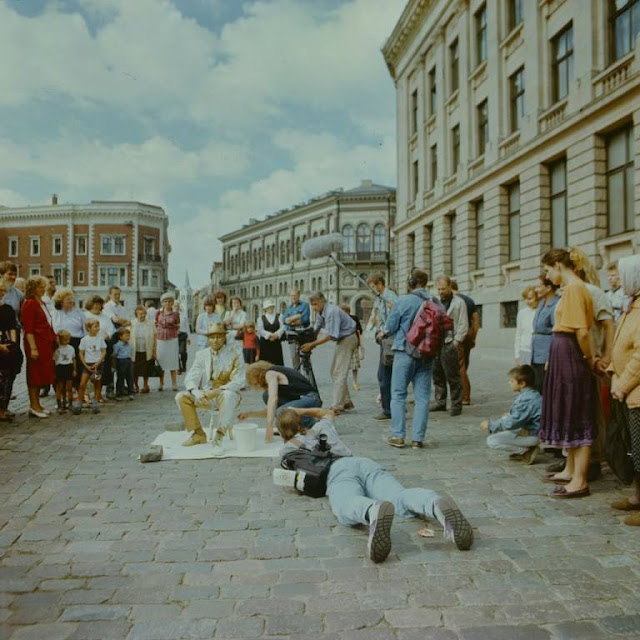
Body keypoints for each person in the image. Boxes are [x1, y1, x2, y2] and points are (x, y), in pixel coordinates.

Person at [276, 407, 473, 562]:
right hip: (363, 463)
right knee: (399, 496)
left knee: (346, 504)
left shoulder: (287, 448)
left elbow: (293, 478)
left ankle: (372, 510)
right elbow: (327, 412)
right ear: (301, 421)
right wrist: (300, 411)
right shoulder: (321, 427)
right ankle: (434, 503)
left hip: (336, 473)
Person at [538, 248, 596, 499]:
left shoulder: (573, 288)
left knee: (577, 410)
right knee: (570, 408)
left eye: (548, 270)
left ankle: (580, 479)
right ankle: (572, 470)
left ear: (558, 265)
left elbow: (582, 331)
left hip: (570, 351)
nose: (548, 276)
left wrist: (588, 357)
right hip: (565, 350)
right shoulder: (573, 288)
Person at [382, 269, 440, 449]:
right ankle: (417, 439)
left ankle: (398, 436)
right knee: (422, 398)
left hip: (404, 351)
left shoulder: (404, 300)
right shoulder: (435, 302)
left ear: (410, 282)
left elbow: (390, 327)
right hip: (427, 354)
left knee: (398, 395)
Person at [175, 322, 245, 454]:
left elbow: (240, 380)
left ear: (224, 337)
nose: (215, 340)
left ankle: (218, 438)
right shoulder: (202, 354)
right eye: (212, 337)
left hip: (228, 394)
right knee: (181, 397)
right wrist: (196, 392)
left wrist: (218, 391)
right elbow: (190, 378)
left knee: (229, 395)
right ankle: (198, 434)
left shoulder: (235, 352)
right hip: (206, 395)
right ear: (208, 339)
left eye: (219, 337)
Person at [607, 255, 640, 526]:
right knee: (633, 447)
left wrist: (623, 382)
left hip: (635, 392)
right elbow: (621, 345)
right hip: (625, 390)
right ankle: (637, 497)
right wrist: (612, 371)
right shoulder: (632, 305)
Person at [301, 292, 358, 414]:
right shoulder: (321, 312)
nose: (314, 308)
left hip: (348, 338)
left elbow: (331, 335)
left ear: (323, 301)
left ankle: (337, 406)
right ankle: (346, 402)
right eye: (312, 305)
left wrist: (312, 345)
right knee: (334, 371)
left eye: (315, 304)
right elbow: (316, 329)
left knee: (339, 372)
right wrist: (310, 340)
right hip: (342, 339)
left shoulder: (331, 311)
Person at [241, 360, 322, 441]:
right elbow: (272, 410)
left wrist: (269, 426)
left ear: (258, 376)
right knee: (267, 397)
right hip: (302, 399)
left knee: (281, 411)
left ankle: (313, 425)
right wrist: (250, 414)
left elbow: (273, 398)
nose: (258, 385)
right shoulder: (274, 374)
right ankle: (299, 427)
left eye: (255, 383)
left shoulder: (270, 373)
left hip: (310, 398)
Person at [480, 365, 542, 463]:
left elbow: (513, 422)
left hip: (532, 435)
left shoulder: (527, 399)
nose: (509, 383)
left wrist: (491, 425)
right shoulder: (532, 394)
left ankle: (525, 452)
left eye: (512, 381)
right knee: (505, 420)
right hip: (532, 432)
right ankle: (525, 448)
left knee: (492, 441)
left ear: (522, 383)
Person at [432, 276, 469, 416]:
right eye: (439, 289)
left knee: (452, 375)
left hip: (450, 342)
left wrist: (456, 342)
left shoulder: (459, 302)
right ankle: (440, 402)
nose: (441, 291)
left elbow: (463, 324)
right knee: (437, 374)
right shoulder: (435, 302)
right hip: (436, 343)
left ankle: (456, 404)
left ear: (449, 287)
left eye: (443, 289)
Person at [22, 276, 57, 419]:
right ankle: (33, 405)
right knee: (34, 375)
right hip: (36, 343)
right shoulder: (29, 304)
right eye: (40, 287)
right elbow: (28, 329)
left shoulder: (41, 302)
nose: (43, 289)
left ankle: (38, 405)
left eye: (44, 286)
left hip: (45, 343)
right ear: (33, 288)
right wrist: (33, 348)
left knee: (41, 374)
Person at [368, 273, 398, 422]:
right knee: (386, 375)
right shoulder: (380, 298)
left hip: (390, 341)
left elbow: (394, 318)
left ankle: (388, 410)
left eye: (373, 287)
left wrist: (383, 332)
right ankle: (395, 405)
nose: (372, 290)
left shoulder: (390, 297)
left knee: (384, 376)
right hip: (384, 341)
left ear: (380, 284)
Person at [450, 281, 480, 406]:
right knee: (464, 363)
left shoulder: (454, 301)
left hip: (458, 334)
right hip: (468, 334)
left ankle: (465, 396)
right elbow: (476, 321)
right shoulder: (469, 300)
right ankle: (463, 393)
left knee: (459, 367)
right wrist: (473, 337)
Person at [52, 289, 86, 393]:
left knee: (76, 367)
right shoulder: (54, 313)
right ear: (61, 301)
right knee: (60, 367)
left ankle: (76, 389)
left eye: (72, 298)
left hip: (76, 342)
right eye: (68, 299)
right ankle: (60, 391)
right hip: (59, 343)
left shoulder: (78, 313)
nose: (71, 301)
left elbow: (85, 330)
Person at [531, 274, 560, 393]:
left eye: (539, 286)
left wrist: (550, 357)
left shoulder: (556, 304)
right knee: (536, 385)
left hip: (546, 353)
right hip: (536, 353)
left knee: (544, 386)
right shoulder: (542, 302)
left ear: (548, 287)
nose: (536, 289)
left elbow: (556, 333)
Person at [77, 319, 107, 411]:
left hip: (98, 365)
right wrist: (86, 365)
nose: (97, 328)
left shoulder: (100, 339)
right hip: (88, 364)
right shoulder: (84, 340)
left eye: (98, 326)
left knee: (97, 383)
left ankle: (95, 401)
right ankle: (79, 402)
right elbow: (81, 353)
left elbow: (103, 351)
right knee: (82, 384)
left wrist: (98, 363)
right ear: (88, 328)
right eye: (95, 327)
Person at [0, 280, 19, 422]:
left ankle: (3, 408)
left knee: (8, 379)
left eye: (2, 290)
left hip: (7, 346)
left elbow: (12, 327)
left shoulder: (8, 309)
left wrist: (12, 344)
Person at [155, 292, 180, 392]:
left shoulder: (175, 314)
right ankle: (161, 383)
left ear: (172, 303)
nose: (168, 303)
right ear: (162, 303)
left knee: (172, 361)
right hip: (160, 339)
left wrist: (175, 335)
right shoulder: (158, 313)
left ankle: (174, 383)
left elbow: (178, 326)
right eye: (165, 301)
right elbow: (156, 324)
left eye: (170, 301)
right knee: (161, 362)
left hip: (172, 339)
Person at [130, 305, 157, 393]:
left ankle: (145, 385)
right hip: (135, 350)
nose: (142, 316)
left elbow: (155, 337)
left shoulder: (150, 323)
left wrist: (154, 351)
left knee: (146, 369)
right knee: (135, 369)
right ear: (136, 314)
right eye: (140, 314)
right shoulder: (132, 323)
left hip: (147, 349)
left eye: (144, 314)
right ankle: (135, 385)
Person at [282, 289, 311, 369]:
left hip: (303, 334)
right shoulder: (289, 308)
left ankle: (307, 377)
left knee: (305, 357)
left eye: (295, 295)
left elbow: (305, 320)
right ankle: (297, 375)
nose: (293, 297)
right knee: (294, 357)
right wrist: (297, 316)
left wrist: (290, 321)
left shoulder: (305, 305)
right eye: (291, 295)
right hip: (292, 335)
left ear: (299, 295)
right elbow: (284, 320)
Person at [514, 286, 539, 366]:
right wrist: (517, 355)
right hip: (524, 351)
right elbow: (518, 334)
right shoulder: (522, 313)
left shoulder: (540, 312)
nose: (527, 301)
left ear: (537, 297)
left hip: (537, 352)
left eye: (530, 298)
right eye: (525, 299)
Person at [341, 305, 363, 392]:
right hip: (343, 345)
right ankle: (343, 382)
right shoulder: (339, 320)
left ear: (348, 312)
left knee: (354, 366)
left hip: (353, 344)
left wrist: (359, 343)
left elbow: (360, 330)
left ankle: (355, 382)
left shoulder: (354, 318)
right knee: (343, 365)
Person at [53, 330, 76, 414]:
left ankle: (70, 403)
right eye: (65, 339)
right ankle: (60, 404)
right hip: (60, 367)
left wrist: (74, 369)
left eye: (68, 339)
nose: (67, 341)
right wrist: (54, 372)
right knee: (60, 387)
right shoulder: (57, 349)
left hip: (68, 366)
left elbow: (73, 359)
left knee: (69, 387)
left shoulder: (71, 348)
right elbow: (54, 361)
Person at [257, 299, 285, 366]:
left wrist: (276, 335)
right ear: (265, 309)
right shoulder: (260, 318)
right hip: (265, 343)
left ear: (273, 307)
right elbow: (260, 330)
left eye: (271, 307)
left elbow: (283, 327)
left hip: (276, 342)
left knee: (277, 362)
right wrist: (269, 335)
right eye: (268, 307)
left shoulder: (280, 316)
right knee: (265, 363)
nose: (270, 308)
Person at [112, 327, 135, 400]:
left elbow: (130, 352)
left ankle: (131, 392)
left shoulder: (129, 344)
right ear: (120, 337)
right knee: (120, 378)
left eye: (128, 336)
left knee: (130, 377)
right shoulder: (118, 345)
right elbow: (114, 354)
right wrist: (114, 365)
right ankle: (118, 394)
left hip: (128, 360)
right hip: (121, 361)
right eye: (126, 336)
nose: (128, 337)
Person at [174, 301, 190, 374]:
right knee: (175, 353)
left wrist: (189, 337)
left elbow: (187, 326)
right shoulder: (171, 314)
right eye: (175, 305)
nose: (176, 307)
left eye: (177, 305)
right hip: (174, 335)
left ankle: (184, 365)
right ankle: (178, 368)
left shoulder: (183, 314)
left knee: (182, 351)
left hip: (183, 334)